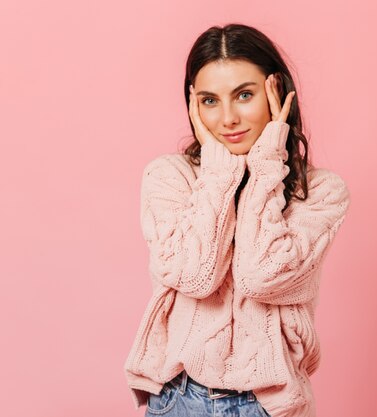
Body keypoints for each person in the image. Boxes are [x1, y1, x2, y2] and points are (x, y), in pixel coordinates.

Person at [123, 23, 351, 417]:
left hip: (271, 405)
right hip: (179, 399)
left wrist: (266, 168)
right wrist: (220, 173)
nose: (227, 118)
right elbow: (197, 276)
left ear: (275, 91)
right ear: (194, 106)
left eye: (244, 95)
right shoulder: (169, 177)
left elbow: (259, 276)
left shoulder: (320, 192)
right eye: (210, 101)